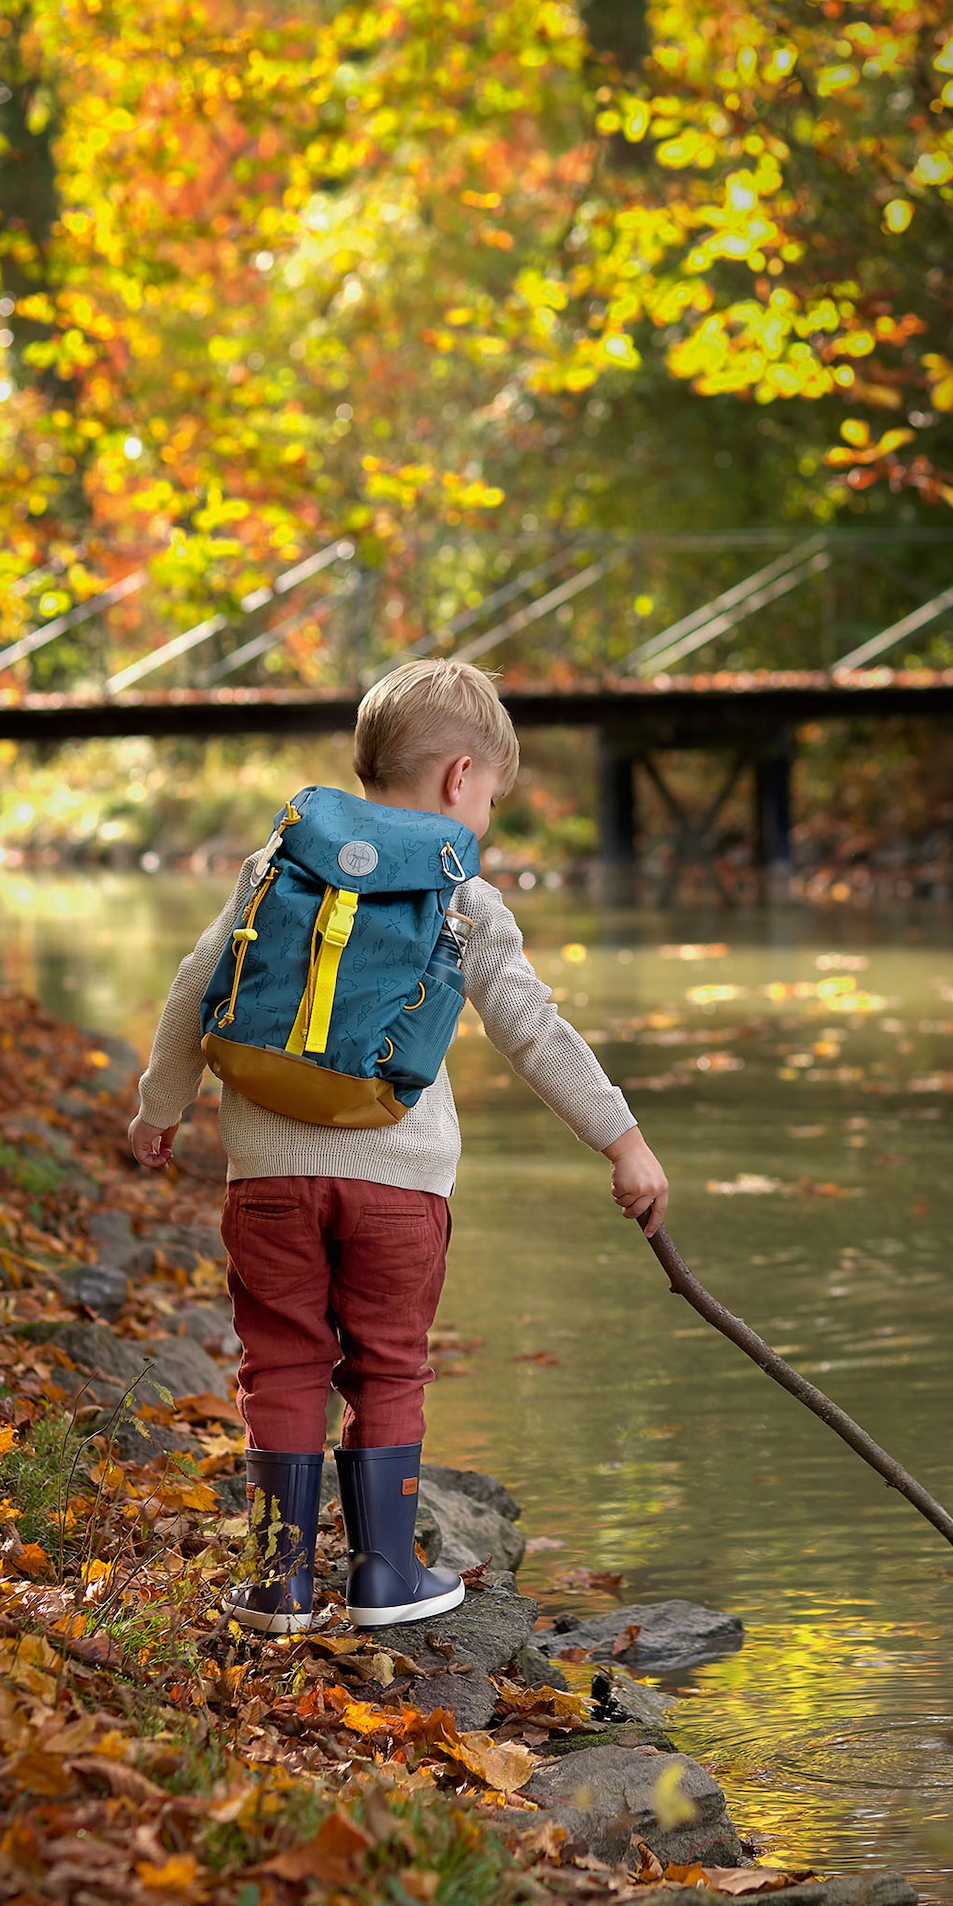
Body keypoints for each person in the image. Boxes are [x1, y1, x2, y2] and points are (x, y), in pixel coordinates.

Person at [128, 658, 668, 1636]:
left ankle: (278, 1581)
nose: (488, 815)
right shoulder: (465, 895)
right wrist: (621, 1140)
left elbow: (196, 985)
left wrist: (159, 1106)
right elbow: (532, 1028)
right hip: (399, 1183)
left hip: (267, 1180)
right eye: (494, 796)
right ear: (462, 777)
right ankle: (386, 1572)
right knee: (387, 1365)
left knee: (282, 1363)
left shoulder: (277, 865)